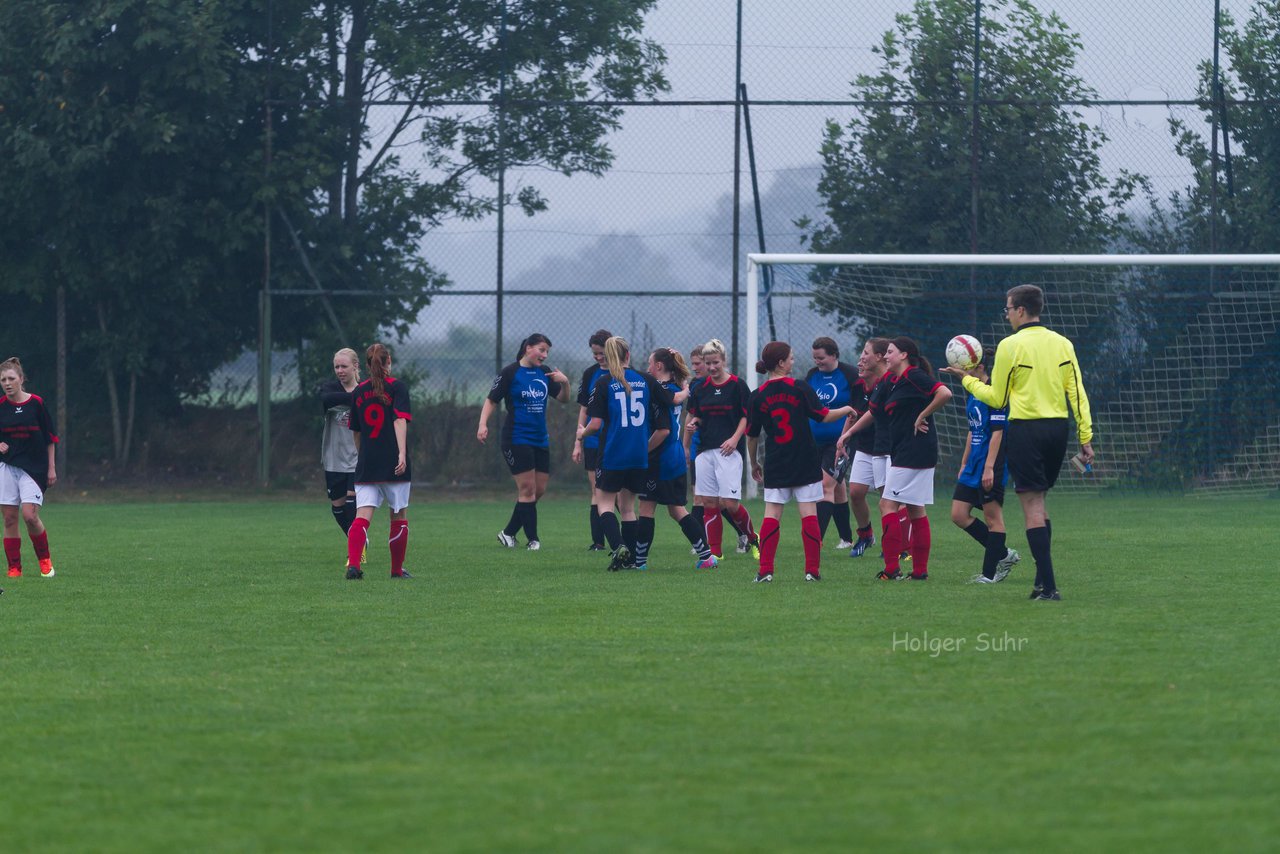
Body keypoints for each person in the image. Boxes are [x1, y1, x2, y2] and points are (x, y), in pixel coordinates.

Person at [949, 284, 1094, 601]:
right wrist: (1086, 437)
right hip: (1058, 430)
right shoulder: (1063, 344)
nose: (1007, 315)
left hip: (1026, 431)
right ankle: (1042, 582)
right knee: (1040, 505)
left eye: (1008, 309)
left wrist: (967, 380)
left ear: (1020, 310)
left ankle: (1050, 588)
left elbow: (997, 398)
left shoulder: (1010, 346)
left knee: (1032, 508)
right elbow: (1077, 394)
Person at [746, 342, 854, 583]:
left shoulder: (758, 395)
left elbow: (751, 436)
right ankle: (812, 572)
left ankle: (765, 571)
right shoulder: (800, 388)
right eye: (791, 358)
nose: (794, 362)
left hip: (776, 462)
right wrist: (846, 408)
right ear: (781, 363)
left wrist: (753, 463)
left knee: (772, 515)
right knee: (809, 515)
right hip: (805, 459)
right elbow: (824, 416)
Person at [848, 337, 952, 581]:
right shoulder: (891, 382)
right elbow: (873, 412)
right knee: (916, 508)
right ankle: (919, 571)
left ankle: (892, 568)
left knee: (887, 505)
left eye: (891, 352)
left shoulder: (914, 376)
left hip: (913, 451)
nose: (886, 356)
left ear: (904, 355)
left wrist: (922, 415)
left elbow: (944, 393)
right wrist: (850, 433)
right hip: (908, 451)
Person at [576, 336, 672, 571]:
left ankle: (619, 546)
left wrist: (582, 433)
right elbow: (670, 402)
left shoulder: (603, 382)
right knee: (628, 508)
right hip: (638, 456)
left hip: (612, 453)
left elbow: (596, 424)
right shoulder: (647, 380)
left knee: (605, 504)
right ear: (628, 355)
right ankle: (630, 561)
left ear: (608, 358)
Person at [478, 333, 571, 551]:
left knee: (538, 490)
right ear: (528, 348)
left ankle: (508, 532)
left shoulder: (544, 373)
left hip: (540, 439)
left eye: (547, 351)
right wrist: (483, 424)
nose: (544, 355)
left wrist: (565, 383)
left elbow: (565, 399)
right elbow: (492, 400)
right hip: (516, 438)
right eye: (541, 349)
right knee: (527, 489)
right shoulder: (510, 373)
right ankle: (533, 540)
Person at [944, 346, 1021, 583]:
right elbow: (972, 429)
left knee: (993, 518)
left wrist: (989, 467)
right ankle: (1004, 554)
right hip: (973, 464)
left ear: (980, 367)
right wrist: (965, 461)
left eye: (967, 369)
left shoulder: (995, 393)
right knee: (958, 514)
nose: (964, 373)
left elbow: (997, 433)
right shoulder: (972, 391)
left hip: (992, 463)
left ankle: (989, 575)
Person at [635, 347, 716, 570]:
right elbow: (682, 384)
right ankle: (706, 556)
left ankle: (639, 562)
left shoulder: (659, 392)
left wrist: (642, 451)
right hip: (676, 456)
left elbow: (663, 431)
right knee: (676, 509)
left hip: (660, 458)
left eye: (651, 363)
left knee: (646, 508)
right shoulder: (675, 388)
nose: (648, 367)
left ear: (659, 366)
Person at [344, 343, 413, 580]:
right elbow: (399, 421)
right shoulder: (397, 387)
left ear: (365, 365)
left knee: (362, 516)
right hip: (394, 463)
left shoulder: (358, 392)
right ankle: (395, 570)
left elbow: (356, 431)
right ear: (388, 361)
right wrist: (401, 453)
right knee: (398, 515)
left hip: (367, 463)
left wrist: (362, 454)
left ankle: (353, 565)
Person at [685, 338, 757, 560]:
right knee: (709, 503)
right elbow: (698, 415)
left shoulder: (737, 385)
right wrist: (693, 424)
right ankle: (715, 553)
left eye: (715, 362)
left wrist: (735, 439)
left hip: (728, 452)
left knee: (730, 504)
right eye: (708, 363)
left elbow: (747, 417)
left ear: (723, 360)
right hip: (705, 452)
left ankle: (754, 539)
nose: (712, 367)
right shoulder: (700, 388)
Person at [0, 357, 59, 578]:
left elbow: (50, 437)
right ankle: (14, 568)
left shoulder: (36, 404)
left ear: (21, 379)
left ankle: (45, 561)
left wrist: (51, 468)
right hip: (7, 467)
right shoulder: (0, 407)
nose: (7, 383)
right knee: (9, 518)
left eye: (11, 378)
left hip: (34, 469)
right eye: (3, 379)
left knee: (30, 516)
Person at [836, 338, 891, 558]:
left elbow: (874, 413)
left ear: (879, 356)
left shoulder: (889, 382)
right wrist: (842, 440)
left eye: (866, 353)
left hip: (887, 448)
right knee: (856, 493)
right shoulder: (859, 386)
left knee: (887, 498)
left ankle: (895, 543)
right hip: (866, 446)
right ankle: (866, 535)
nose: (861, 359)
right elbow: (853, 414)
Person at [806, 337, 862, 549]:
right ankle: (847, 539)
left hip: (841, 442)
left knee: (824, 485)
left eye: (821, 358)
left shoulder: (849, 376)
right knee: (837, 488)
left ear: (834, 355)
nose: (818, 362)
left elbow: (857, 411)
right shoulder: (812, 376)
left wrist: (845, 436)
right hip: (815, 442)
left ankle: (815, 542)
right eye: (814, 358)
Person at [572, 329, 612, 551]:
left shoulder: (624, 373)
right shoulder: (590, 374)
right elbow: (584, 409)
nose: (598, 358)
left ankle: (624, 539)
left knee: (618, 494)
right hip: (593, 441)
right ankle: (598, 542)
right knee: (597, 491)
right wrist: (578, 441)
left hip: (616, 441)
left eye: (601, 353)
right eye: (595, 354)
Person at [318, 348, 361, 553]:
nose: (340, 370)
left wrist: (358, 397)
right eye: (337, 366)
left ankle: (357, 548)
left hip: (358, 458)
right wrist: (357, 398)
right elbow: (327, 400)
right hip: (334, 458)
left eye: (344, 366)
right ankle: (358, 538)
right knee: (338, 507)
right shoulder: (329, 388)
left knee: (353, 503)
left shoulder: (364, 389)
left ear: (355, 366)